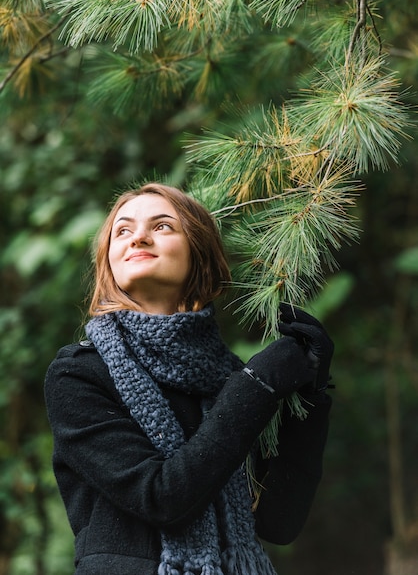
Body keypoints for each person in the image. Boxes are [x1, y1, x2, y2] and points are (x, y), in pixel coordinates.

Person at [44, 182, 334, 575]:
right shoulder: (79, 373)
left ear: (200, 254)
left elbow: (278, 523)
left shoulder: (229, 377)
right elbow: (160, 497)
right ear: (108, 258)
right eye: (123, 230)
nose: (139, 237)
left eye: (162, 226)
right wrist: (259, 383)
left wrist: (310, 395)